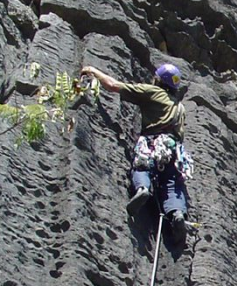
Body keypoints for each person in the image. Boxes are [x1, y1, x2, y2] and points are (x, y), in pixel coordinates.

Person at [81, 62, 193, 243]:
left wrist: (93, 70)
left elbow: (113, 85)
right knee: (172, 184)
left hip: (153, 142)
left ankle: (142, 189)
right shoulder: (180, 107)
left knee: (143, 167)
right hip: (175, 151)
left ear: (159, 79)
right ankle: (177, 214)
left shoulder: (153, 92)